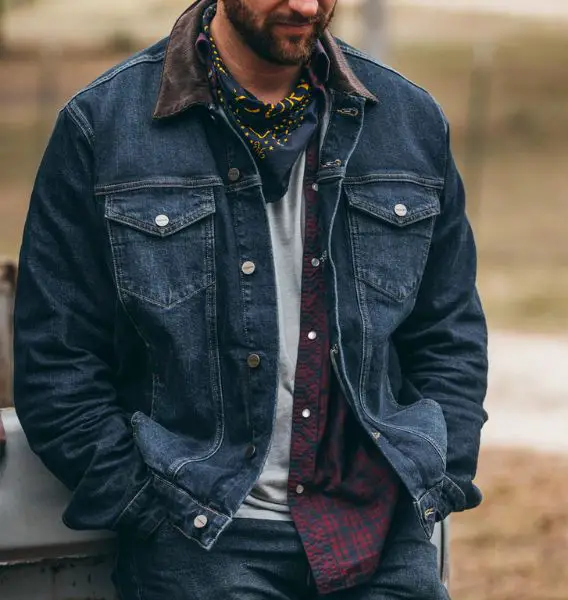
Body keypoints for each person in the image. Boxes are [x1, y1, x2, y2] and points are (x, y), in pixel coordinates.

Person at [13, 1, 488, 598]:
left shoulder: (409, 122)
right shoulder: (103, 127)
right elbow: (57, 362)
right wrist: (145, 509)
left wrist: (434, 477)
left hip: (374, 529)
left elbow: (450, 334)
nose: (306, 6)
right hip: (198, 535)